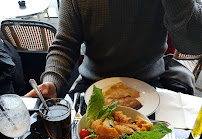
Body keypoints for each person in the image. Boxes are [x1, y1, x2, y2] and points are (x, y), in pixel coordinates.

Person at [25, 0, 202, 98]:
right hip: (92, 83)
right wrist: (52, 80)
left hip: (151, 82)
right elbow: (65, 43)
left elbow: (193, 44)